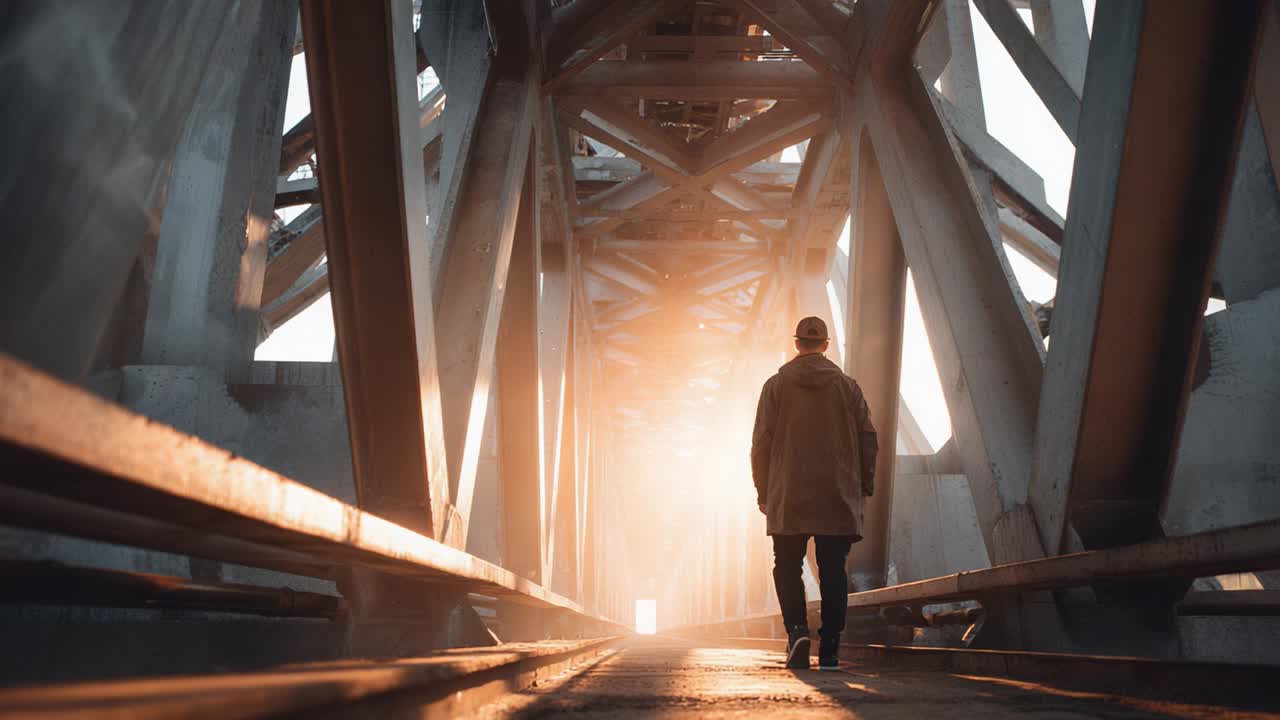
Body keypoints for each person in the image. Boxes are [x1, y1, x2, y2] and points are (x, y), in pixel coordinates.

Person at [750, 316, 878, 671]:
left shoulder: (775, 386)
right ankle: (832, 647)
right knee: (833, 569)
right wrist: (863, 485)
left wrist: (764, 491)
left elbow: (760, 444)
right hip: (836, 493)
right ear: (825, 345)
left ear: (797, 345)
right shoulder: (848, 387)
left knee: (786, 565)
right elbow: (869, 438)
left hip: (789, 493)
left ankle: (796, 632)